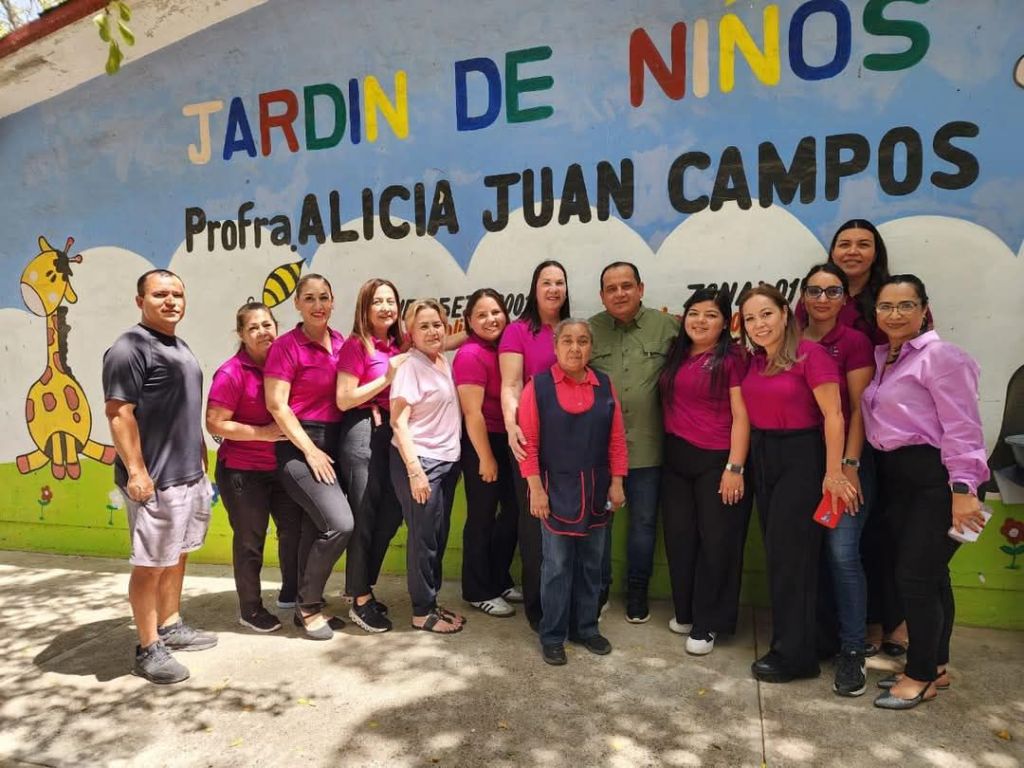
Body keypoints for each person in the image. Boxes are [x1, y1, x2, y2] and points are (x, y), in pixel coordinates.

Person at [863, 275, 988, 709]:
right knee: (931, 575)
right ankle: (936, 664)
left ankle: (919, 677)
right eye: (886, 306)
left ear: (923, 309)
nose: (894, 314)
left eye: (905, 305)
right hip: (899, 480)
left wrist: (963, 488)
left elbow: (963, 427)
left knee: (915, 578)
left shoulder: (942, 357)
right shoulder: (885, 357)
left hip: (939, 480)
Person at [739, 285, 858, 683]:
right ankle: (818, 640)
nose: (759, 324)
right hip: (764, 455)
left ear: (785, 314)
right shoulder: (756, 360)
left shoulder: (811, 354)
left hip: (802, 457)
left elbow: (834, 416)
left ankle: (794, 656)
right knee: (784, 554)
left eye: (766, 314)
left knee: (792, 559)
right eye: (750, 318)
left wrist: (833, 472)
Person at [103, 269, 216, 684]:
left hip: (189, 474)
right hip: (155, 480)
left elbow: (185, 408)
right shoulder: (129, 348)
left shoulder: (178, 346)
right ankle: (148, 647)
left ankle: (170, 624)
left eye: (177, 295)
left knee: (177, 554)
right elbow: (119, 413)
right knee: (150, 563)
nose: (170, 301)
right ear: (140, 301)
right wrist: (136, 471)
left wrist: (201, 457)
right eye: (160, 294)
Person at [518, 318, 627, 665]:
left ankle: (586, 628)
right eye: (567, 341)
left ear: (591, 347)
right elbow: (529, 444)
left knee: (593, 565)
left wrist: (618, 482)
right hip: (555, 492)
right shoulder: (538, 387)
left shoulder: (604, 385)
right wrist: (536, 490)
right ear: (555, 347)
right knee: (556, 566)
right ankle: (553, 634)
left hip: (597, 490)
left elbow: (616, 439)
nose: (575, 348)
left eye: (582, 341)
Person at [659, 288, 751, 656]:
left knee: (717, 543)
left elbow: (742, 416)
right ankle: (686, 611)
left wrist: (735, 467)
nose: (700, 321)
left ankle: (708, 622)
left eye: (711, 315)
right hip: (675, 459)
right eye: (694, 313)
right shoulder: (676, 353)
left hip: (717, 460)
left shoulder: (733, 358)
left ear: (726, 322)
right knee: (680, 539)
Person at [799, 264, 876, 696]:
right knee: (809, 555)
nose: (822, 299)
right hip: (802, 462)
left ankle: (852, 650)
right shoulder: (792, 339)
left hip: (846, 464)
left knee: (843, 554)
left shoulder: (854, 342)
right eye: (815, 291)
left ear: (845, 299)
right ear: (803, 297)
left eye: (832, 292)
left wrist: (849, 466)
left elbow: (859, 408)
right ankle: (820, 638)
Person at [264, 274, 354, 640]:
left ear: (333, 301)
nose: (318, 305)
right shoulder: (286, 346)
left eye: (324, 297)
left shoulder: (342, 342)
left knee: (313, 528)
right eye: (310, 298)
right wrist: (310, 450)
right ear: (297, 304)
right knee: (339, 524)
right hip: (299, 446)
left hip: (335, 443)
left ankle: (306, 603)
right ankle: (308, 606)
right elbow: (277, 405)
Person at [589, 261, 680, 623]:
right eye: (611, 289)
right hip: (598, 450)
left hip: (648, 447)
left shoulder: (668, 327)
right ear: (602, 296)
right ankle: (598, 589)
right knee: (600, 524)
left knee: (643, 524)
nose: (620, 294)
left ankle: (637, 591)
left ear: (641, 289)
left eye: (627, 286)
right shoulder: (590, 330)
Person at [206, 301, 304, 633]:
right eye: (253, 327)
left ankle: (293, 596)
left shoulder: (287, 363)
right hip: (243, 472)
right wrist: (262, 434)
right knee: (250, 541)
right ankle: (250, 609)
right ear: (241, 334)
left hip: (282, 468)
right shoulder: (232, 372)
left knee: (294, 532)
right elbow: (215, 423)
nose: (262, 332)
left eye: (267, 325)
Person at [500, 260, 571, 630]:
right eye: (546, 282)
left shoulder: (571, 330)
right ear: (535, 287)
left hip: (570, 440)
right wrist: (512, 424)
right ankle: (539, 609)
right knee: (534, 525)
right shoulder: (518, 331)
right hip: (530, 438)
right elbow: (511, 384)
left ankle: (565, 600)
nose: (553, 289)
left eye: (559, 282)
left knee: (567, 520)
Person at [336, 278, 408, 633]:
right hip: (362, 430)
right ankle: (360, 598)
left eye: (390, 301)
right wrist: (386, 379)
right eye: (377, 301)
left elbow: (438, 338)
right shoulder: (356, 346)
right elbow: (344, 398)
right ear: (364, 309)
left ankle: (362, 585)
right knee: (364, 515)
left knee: (391, 515)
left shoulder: (398, 345)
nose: (385, 307)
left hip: (391, 434)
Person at [390, 299, 465, 634]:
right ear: (410, 332)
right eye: (424, 326)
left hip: (446, 462)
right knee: (424, 539)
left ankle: (432, 603)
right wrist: (415, 471)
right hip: (421, 462)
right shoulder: (410, 367)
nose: (433, 331)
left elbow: (459, 336)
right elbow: (398, 422)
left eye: (437, 324)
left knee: (437, 535)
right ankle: (421, 612)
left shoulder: (440, 358)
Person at [454, 289, 519, 618]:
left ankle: (499, 578)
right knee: (482, 516)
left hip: (508, 439)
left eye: (495, 312)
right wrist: (486, 457)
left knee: (514, 512)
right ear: (469, 321)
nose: (490, 319)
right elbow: (472, 413)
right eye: (481, 315)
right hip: (482, 441)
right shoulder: (470, 354)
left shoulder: (505, 348)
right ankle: (478, 590)